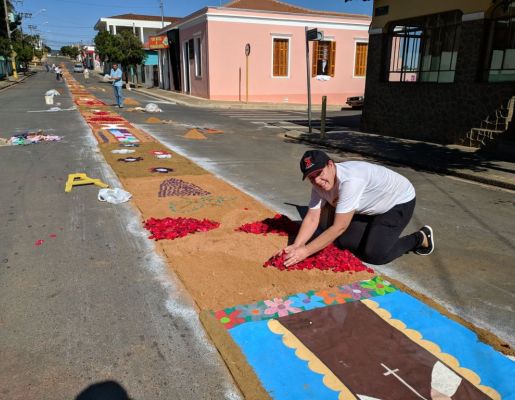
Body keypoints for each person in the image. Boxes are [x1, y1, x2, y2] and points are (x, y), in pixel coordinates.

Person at [280, 150, 434, 267]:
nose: (318, 181)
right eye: (312, 178)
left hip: (397, 201)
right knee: (345, 241)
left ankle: (420, 238)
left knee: (375, 254)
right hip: (371, 206)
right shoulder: (318, 186)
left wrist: (305, 252)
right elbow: (313, 216)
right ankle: (375, 229)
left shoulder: (350, 181)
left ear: (330, 165)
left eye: (320, 174)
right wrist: (298, 244)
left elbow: (339, 227)